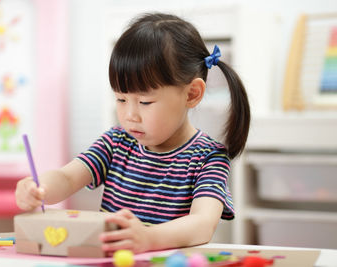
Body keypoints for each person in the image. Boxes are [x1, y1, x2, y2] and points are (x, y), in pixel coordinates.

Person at [15, 12, 250, 254]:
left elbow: (202, 224)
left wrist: (148, 239)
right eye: (121, 99)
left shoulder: (208, 158)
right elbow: (67, 178)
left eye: (145, 102)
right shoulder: (116, 142)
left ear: (191, 94)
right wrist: (38, 187)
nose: (130, 115)